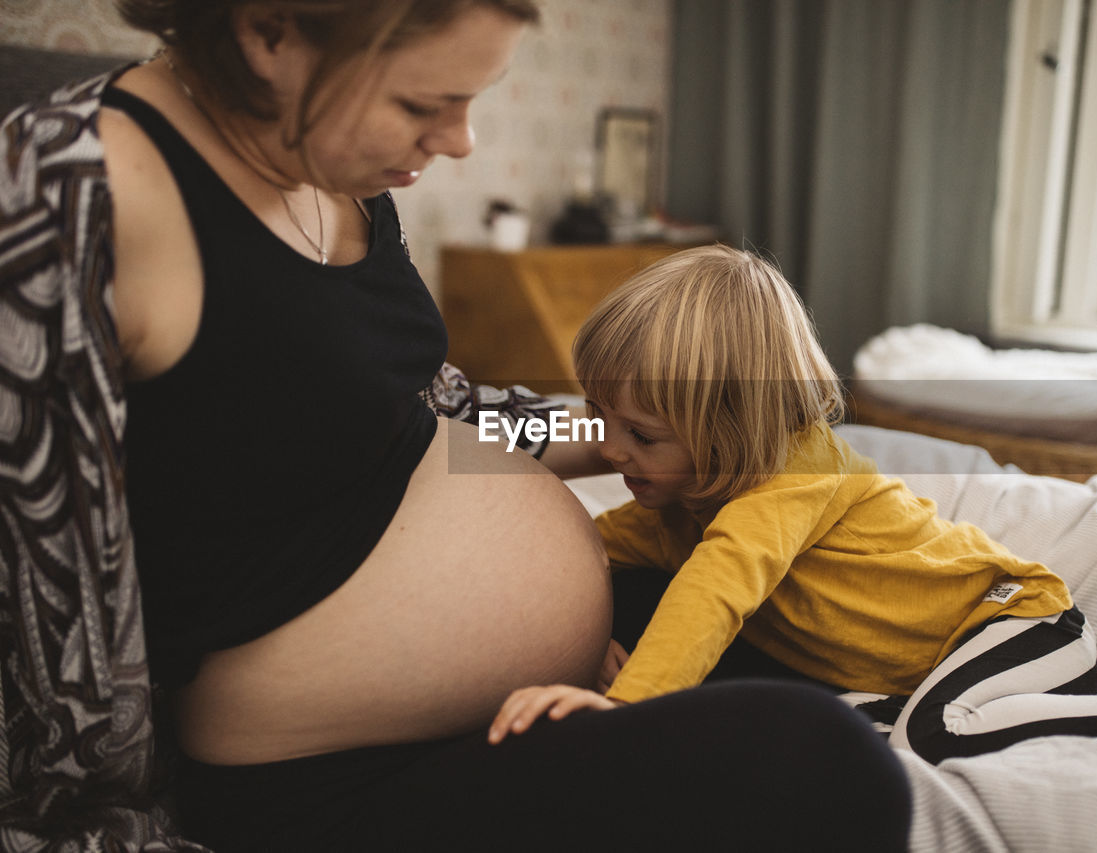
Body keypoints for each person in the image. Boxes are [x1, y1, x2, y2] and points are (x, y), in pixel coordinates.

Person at [0, 2, 913, 850]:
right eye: (423, 102)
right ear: (268, 32)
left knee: (811, 599)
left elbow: (430, 414)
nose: (462, 141)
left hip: (483, 699)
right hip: (321, 776)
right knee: (825, 763)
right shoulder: (79, 188)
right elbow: (43, 587)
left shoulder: (339, 174)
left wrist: (642, 438)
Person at [487, 245, 1097, 761]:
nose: (607, 450)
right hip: (917, 669)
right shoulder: (680, 497)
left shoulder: (793, 478)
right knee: (839, 725)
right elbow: (592, 544)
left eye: (639, 434)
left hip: (1016, 624)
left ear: (732, 427)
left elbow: (715, 590)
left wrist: (625, 708)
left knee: (933, 734)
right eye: (603, 420)